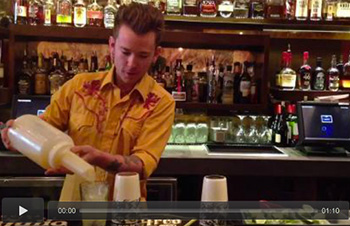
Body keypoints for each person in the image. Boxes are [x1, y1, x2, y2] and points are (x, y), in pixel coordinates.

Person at [1, 3, 175, 201]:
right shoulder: (79, 86)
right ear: (111, 45)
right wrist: (18, 138)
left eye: (142, 55)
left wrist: (100, 159)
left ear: (156, 54)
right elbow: (42, 129)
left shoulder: (161, 102)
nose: (131, 63)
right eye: (125, 52)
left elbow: (142, 165)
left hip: (126, 210)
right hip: (75, 206)